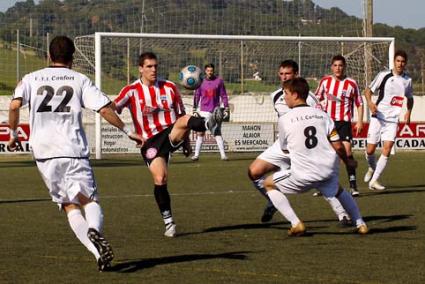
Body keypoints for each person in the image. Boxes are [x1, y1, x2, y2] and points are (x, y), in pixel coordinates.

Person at [7, 36, 144, 271]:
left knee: (69, 205)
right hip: (72, 149)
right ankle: (94, 230)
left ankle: (97, 253)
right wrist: (127, 130)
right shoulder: (80, 79)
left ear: (49, 56)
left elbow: (13, 106)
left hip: (44, 152)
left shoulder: (30, 79)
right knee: (89, 200)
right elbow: (103, 109)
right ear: (72, 58)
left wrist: (13, 133)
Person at [113, 52, 223, 238]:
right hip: (149, 141)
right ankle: (169, 222)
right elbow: (111, 108)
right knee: (160, 178)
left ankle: (208, 123)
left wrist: (186, 141)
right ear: (140, 68)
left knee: (185, 119)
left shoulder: (170, 87)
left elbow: (182, 116)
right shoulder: (131, 90)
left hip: (171, 132)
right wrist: (128, 132)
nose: (153, 69)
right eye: (149, 66)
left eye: (155, 66)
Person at [248, 60, 350, 225]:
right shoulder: (275, 95)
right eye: (281, 74)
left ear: (296, 74)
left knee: (320, 179)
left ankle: (342, 214)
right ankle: (273, 201)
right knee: (254, 171)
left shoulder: (309, 98)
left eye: (287, 74)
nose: (283, 77)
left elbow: (320, 123)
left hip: (306, 146)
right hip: (284, 145)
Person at [263, 77, 368, 236]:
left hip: (302, 174)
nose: (284, 98)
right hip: (326, 170)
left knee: (268, 184)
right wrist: (348, 162)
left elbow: (285, 149)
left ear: (296, 95)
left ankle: (296, 223)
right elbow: (338, 146)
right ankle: (361, 223)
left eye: (286, 93)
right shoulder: (323, 116)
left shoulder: (285, 119)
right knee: (338, 190)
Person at [363, 50, 414, 190]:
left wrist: (408, 112)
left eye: (403, 61)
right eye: (398, 61)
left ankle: (374, 181)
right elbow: (367, 91)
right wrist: (370, 103)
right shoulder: (383, 75)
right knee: (370, 149)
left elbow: (410, 98)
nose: (400, 64)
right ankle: (371, 167)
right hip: (378, 116)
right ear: (394, 62)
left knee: (388, 147)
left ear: (405, 63)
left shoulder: (407, 80)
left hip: (392, 120)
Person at [315, 55, 363, 196]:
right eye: (335, 65)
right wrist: (319, 108)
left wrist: (359, 121)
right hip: (328, 123)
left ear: (344, 67)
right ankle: (324, 186)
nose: (338, 68)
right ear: (331, 67)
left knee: (347, 153)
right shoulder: (325, 81)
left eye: (340, 65)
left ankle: (353, 185)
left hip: (344, 123)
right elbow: (317, 98)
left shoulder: (351, 83)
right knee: (327, 155)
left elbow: (359, 103)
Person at [191, 63, 229, 161]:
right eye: (208, 71)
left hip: (215, 111)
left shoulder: (219, 81)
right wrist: (194, 108)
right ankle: (196, 155)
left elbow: (223, 95)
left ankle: (223, 155)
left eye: (211, 71)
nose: (210, 72)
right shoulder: (200, 81)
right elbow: (197, 95)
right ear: (205, 71)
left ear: (213, 71)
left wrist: (226, 107)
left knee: (217, 132)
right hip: (203, 111)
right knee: (200, 133)